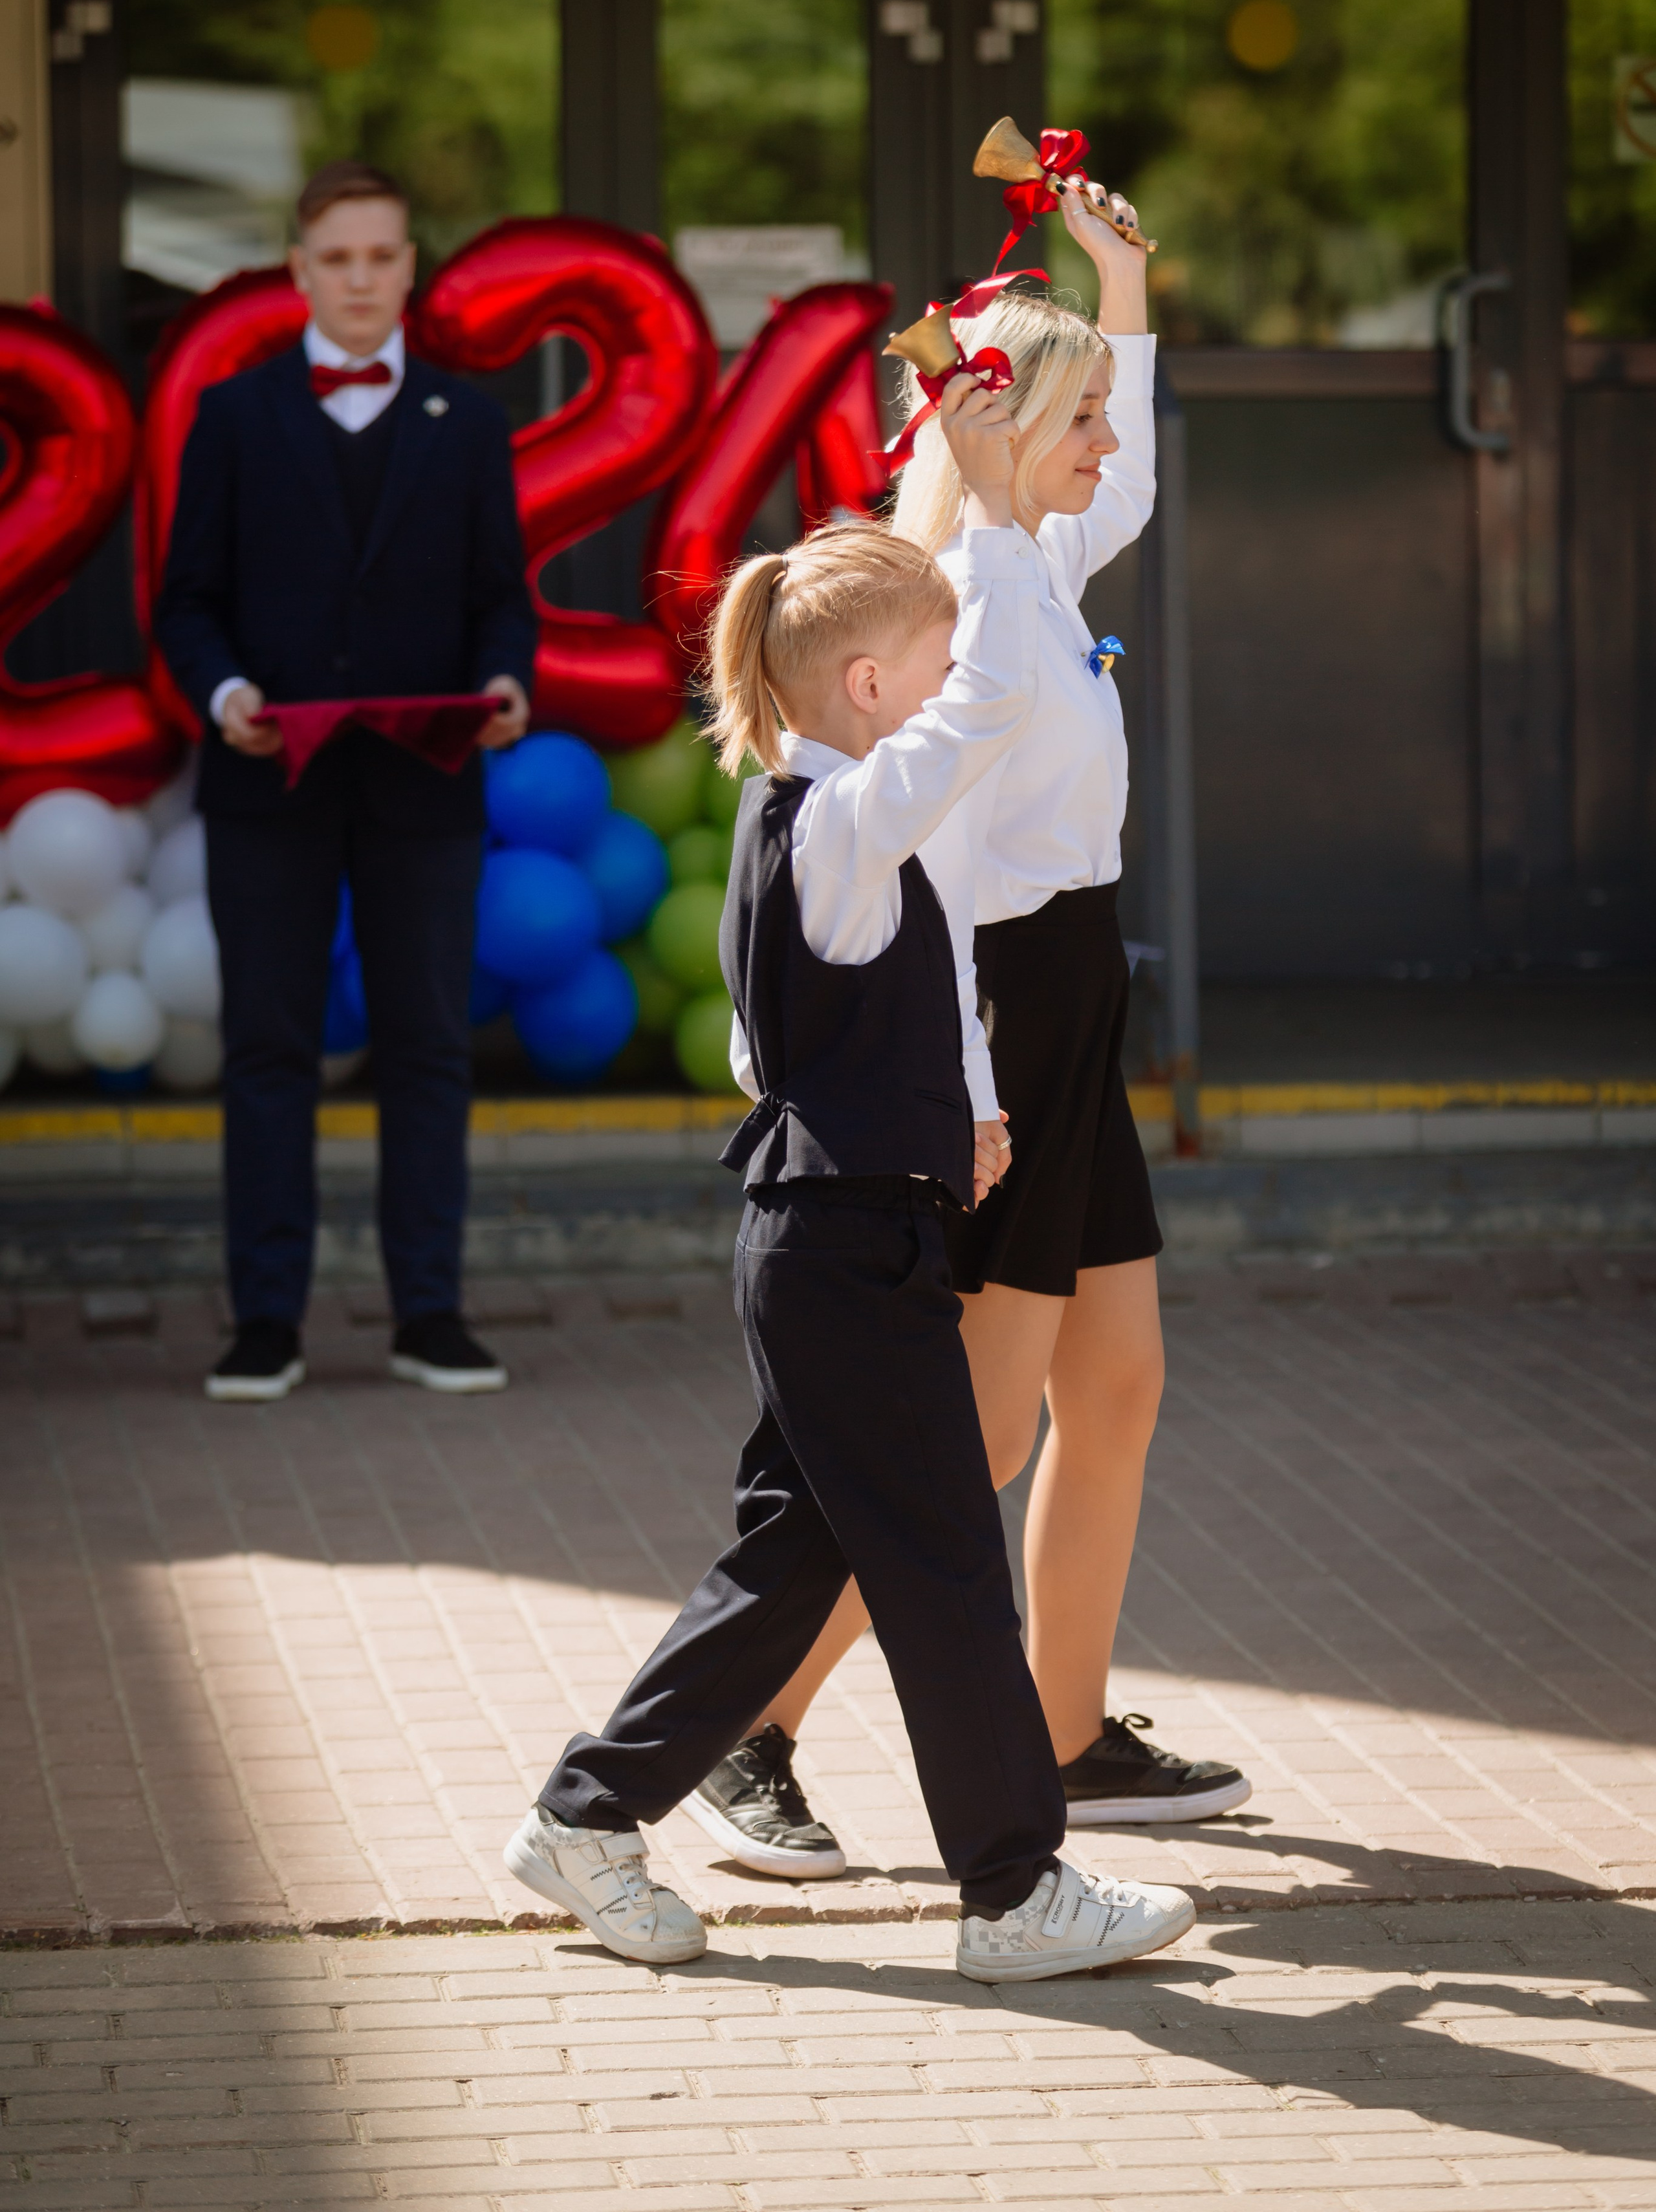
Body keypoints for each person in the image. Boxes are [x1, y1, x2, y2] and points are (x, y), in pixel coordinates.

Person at [504, 512, 1195, 1982]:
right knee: (945, 1563)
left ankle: (587, 1813)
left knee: (798, 1562)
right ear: (871, 689)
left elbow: (784, 1052)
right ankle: (1013, 1891)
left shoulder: (805, 826)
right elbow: (996, 706)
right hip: (840, 1254)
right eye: (933, 660)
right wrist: (999, 508)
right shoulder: (838, 816)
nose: (960, 685)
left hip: (833, 1236)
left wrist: (957, 1123)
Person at [685, 188, 1250, 1880]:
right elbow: (910, 874)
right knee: (980, 1435)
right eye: (1073, 413)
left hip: (1081, 996)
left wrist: (1126, 282)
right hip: (997, 1015)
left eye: (1098, 409)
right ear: (1001, 427)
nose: (1104, 442)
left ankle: (1069, 1733)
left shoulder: (1036, 557)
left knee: (1121, 1387)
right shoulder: (948, 605)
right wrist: (978, 1092)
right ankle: (751, 1734)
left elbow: (1127, 479)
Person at [156, 159, 536, 1405]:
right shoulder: (233, 414)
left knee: (429, 1048)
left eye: (382, 257)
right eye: (338, 259)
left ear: (410, 268)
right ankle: (265, 1321)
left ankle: (431, 1314)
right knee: (269, 1049)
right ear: (300, 271)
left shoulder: (470, 423)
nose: (362, 279)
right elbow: (186, 605)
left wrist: (508, 685)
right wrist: (226, 699)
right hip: (268, 788)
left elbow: (500, 602)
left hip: (424, 789)